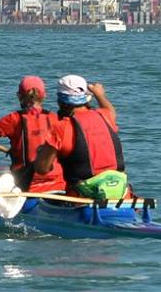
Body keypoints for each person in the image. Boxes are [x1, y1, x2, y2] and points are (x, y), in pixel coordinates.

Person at [0, 75, 67, 194]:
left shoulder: (13, 119)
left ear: (20, 96)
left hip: (26, 188)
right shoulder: (58, 119)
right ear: (44, 95)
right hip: (59, 186)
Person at [54, 74, 130, 202]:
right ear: (86, 99)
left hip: (82, 198)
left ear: (61, 102)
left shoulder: (63, 127)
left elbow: (42, 168)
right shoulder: (105, 116)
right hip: (119, 193)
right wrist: (98, 94)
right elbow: (110, 109)